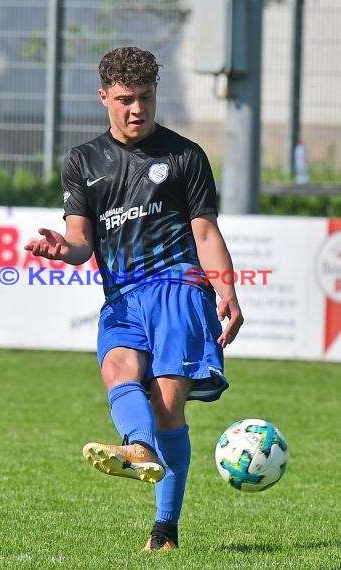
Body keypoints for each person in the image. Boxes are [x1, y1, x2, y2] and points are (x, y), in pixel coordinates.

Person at [24, 46, 244, 552]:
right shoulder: (83, 161)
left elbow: (205, 231)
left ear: (155, 95)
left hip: (179, 288)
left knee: (168, 407)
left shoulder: (185, 156)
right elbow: (80, 243)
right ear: (104, 97)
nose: (136, 109)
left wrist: (227, 288)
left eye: (145, 97)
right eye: (125, 99)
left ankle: (164, 530)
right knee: (117, 370)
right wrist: (61, 250)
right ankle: (138, 448)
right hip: (122, 295)